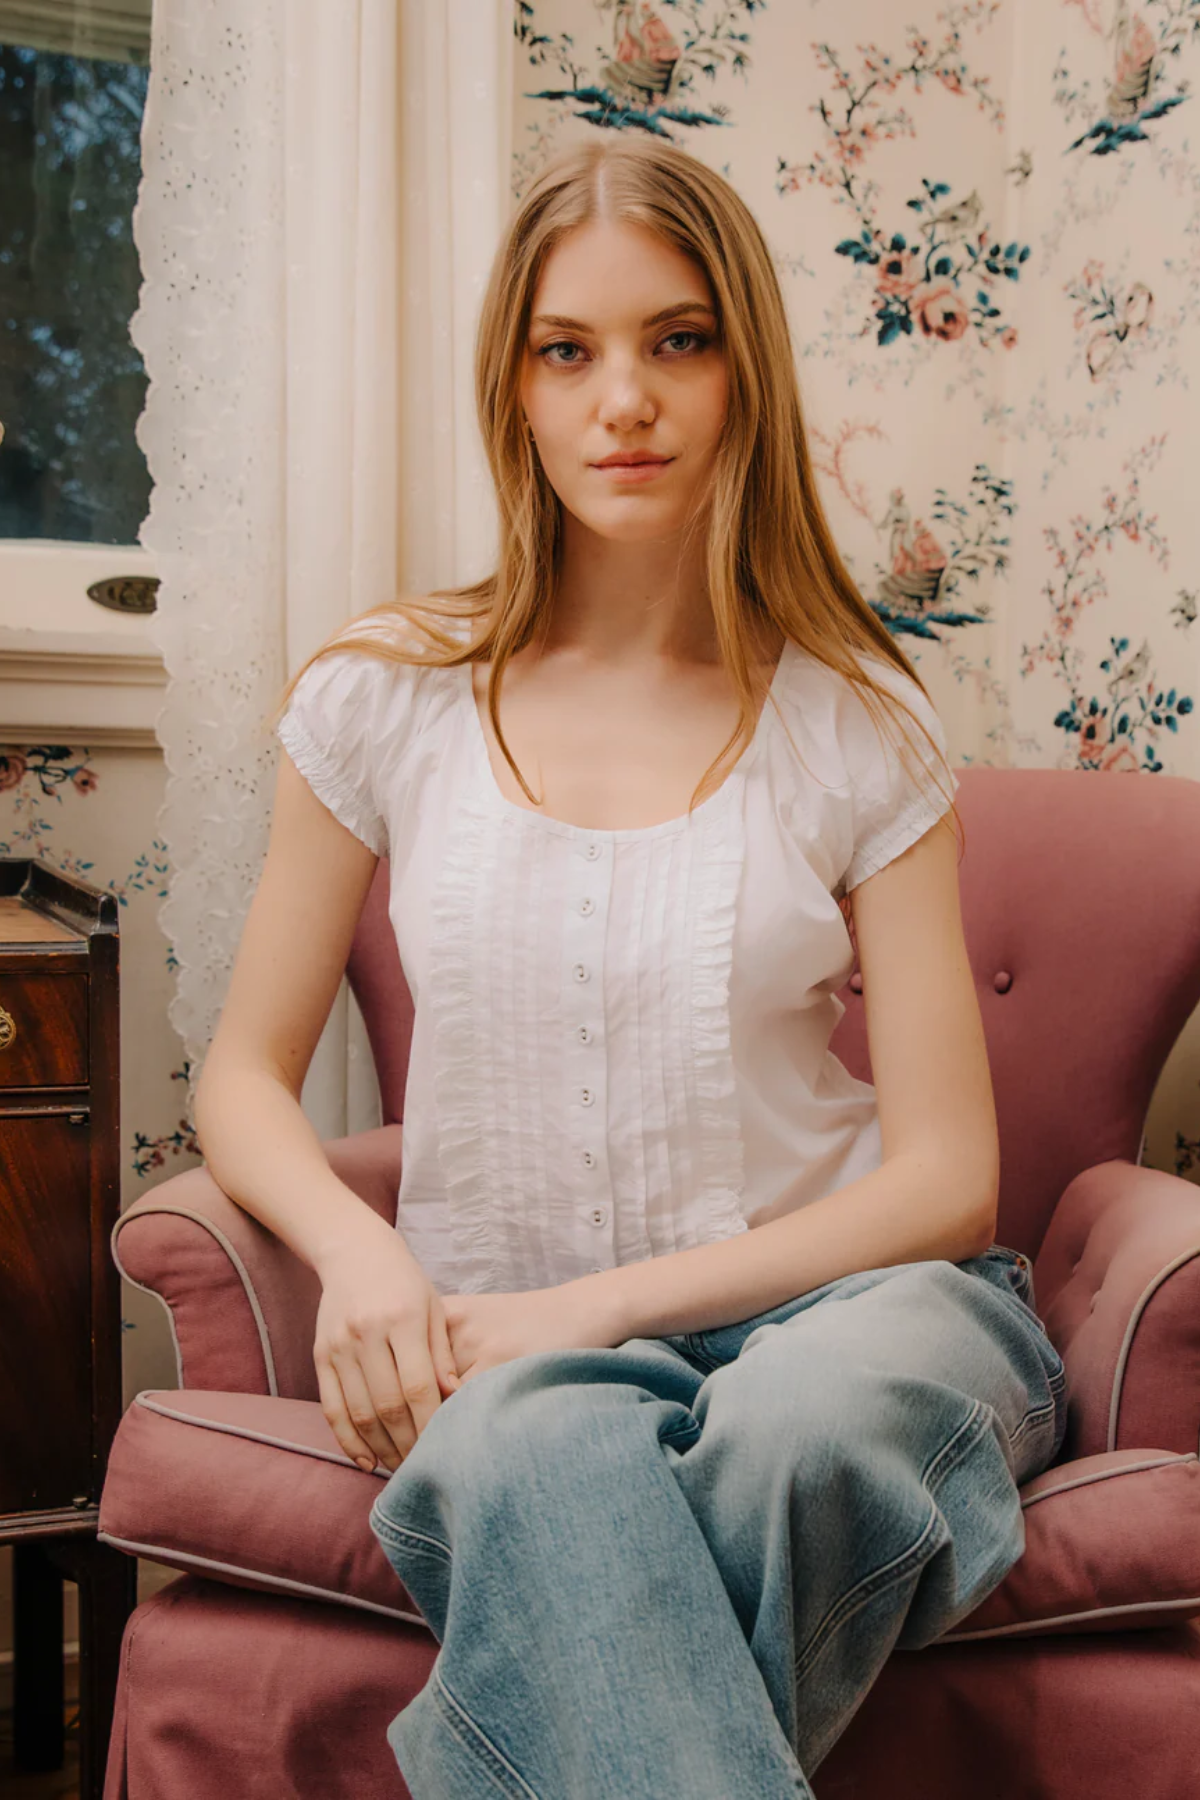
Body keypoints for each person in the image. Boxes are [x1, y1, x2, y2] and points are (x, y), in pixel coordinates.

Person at [195, 136, 1068, 1799]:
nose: (627, 402)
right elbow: (243, 1073)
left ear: (747, 368)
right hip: (504, 1363)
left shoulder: (858, 721)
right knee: (532, 1443)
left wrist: (586, 1308)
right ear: (511, 387)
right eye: (568, 349)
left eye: (679, 341)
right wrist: (358, 1258)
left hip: (855, 1323)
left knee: (799, 1427)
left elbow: (952, 1177)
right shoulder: (384, 698)